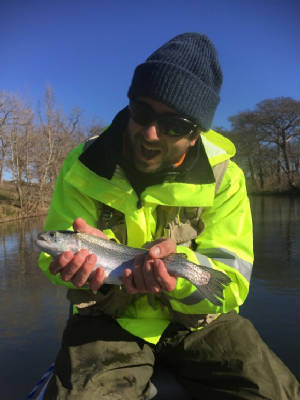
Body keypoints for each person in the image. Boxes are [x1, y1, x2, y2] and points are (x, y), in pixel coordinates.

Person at [39, 33, 299, 399]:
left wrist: (181, 278)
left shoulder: (227, 177)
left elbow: (231, 284)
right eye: (142, 112)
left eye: (174, 125)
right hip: (107, 323)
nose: (149, 133)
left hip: (200, 325)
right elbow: (46, 251)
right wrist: (75, 272)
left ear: (195, 134)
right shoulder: (83, 166)